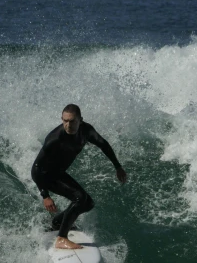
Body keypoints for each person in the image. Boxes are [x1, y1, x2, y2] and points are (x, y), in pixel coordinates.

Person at [31, 104, 127, 249]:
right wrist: (45, 195)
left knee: (88, 204)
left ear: (80, 120)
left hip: (59, 173)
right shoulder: (54, 139)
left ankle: (57, 223)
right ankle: (61, 239)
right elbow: (36, 168)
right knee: (80, 198)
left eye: (72, 121)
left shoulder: (86, 131)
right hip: (46, 176)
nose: (68, 125)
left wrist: (117, 166)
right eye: (65, 121)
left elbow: (103, 144)